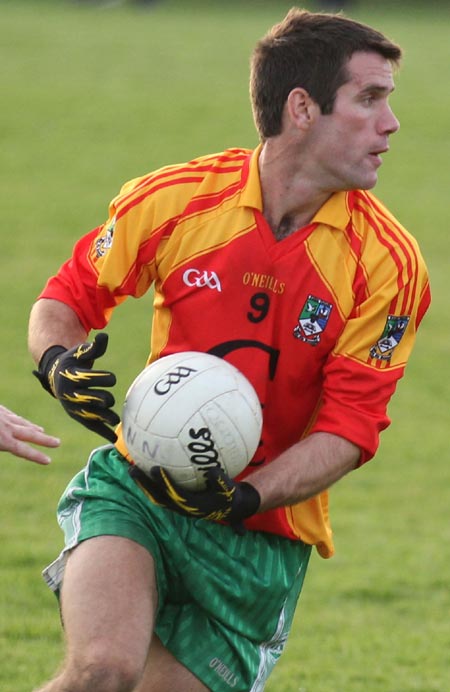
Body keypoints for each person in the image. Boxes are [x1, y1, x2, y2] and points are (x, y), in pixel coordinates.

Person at [28, 8, 431, 692]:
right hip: (142, 490)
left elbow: (349, 429)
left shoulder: (387, 265)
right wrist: (56, 363)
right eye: (370, 99)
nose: (390, 123)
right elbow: (67, 298)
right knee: (100, 673)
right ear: (303, 108)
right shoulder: (180, 200)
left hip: (259, 539)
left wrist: (242, 497)